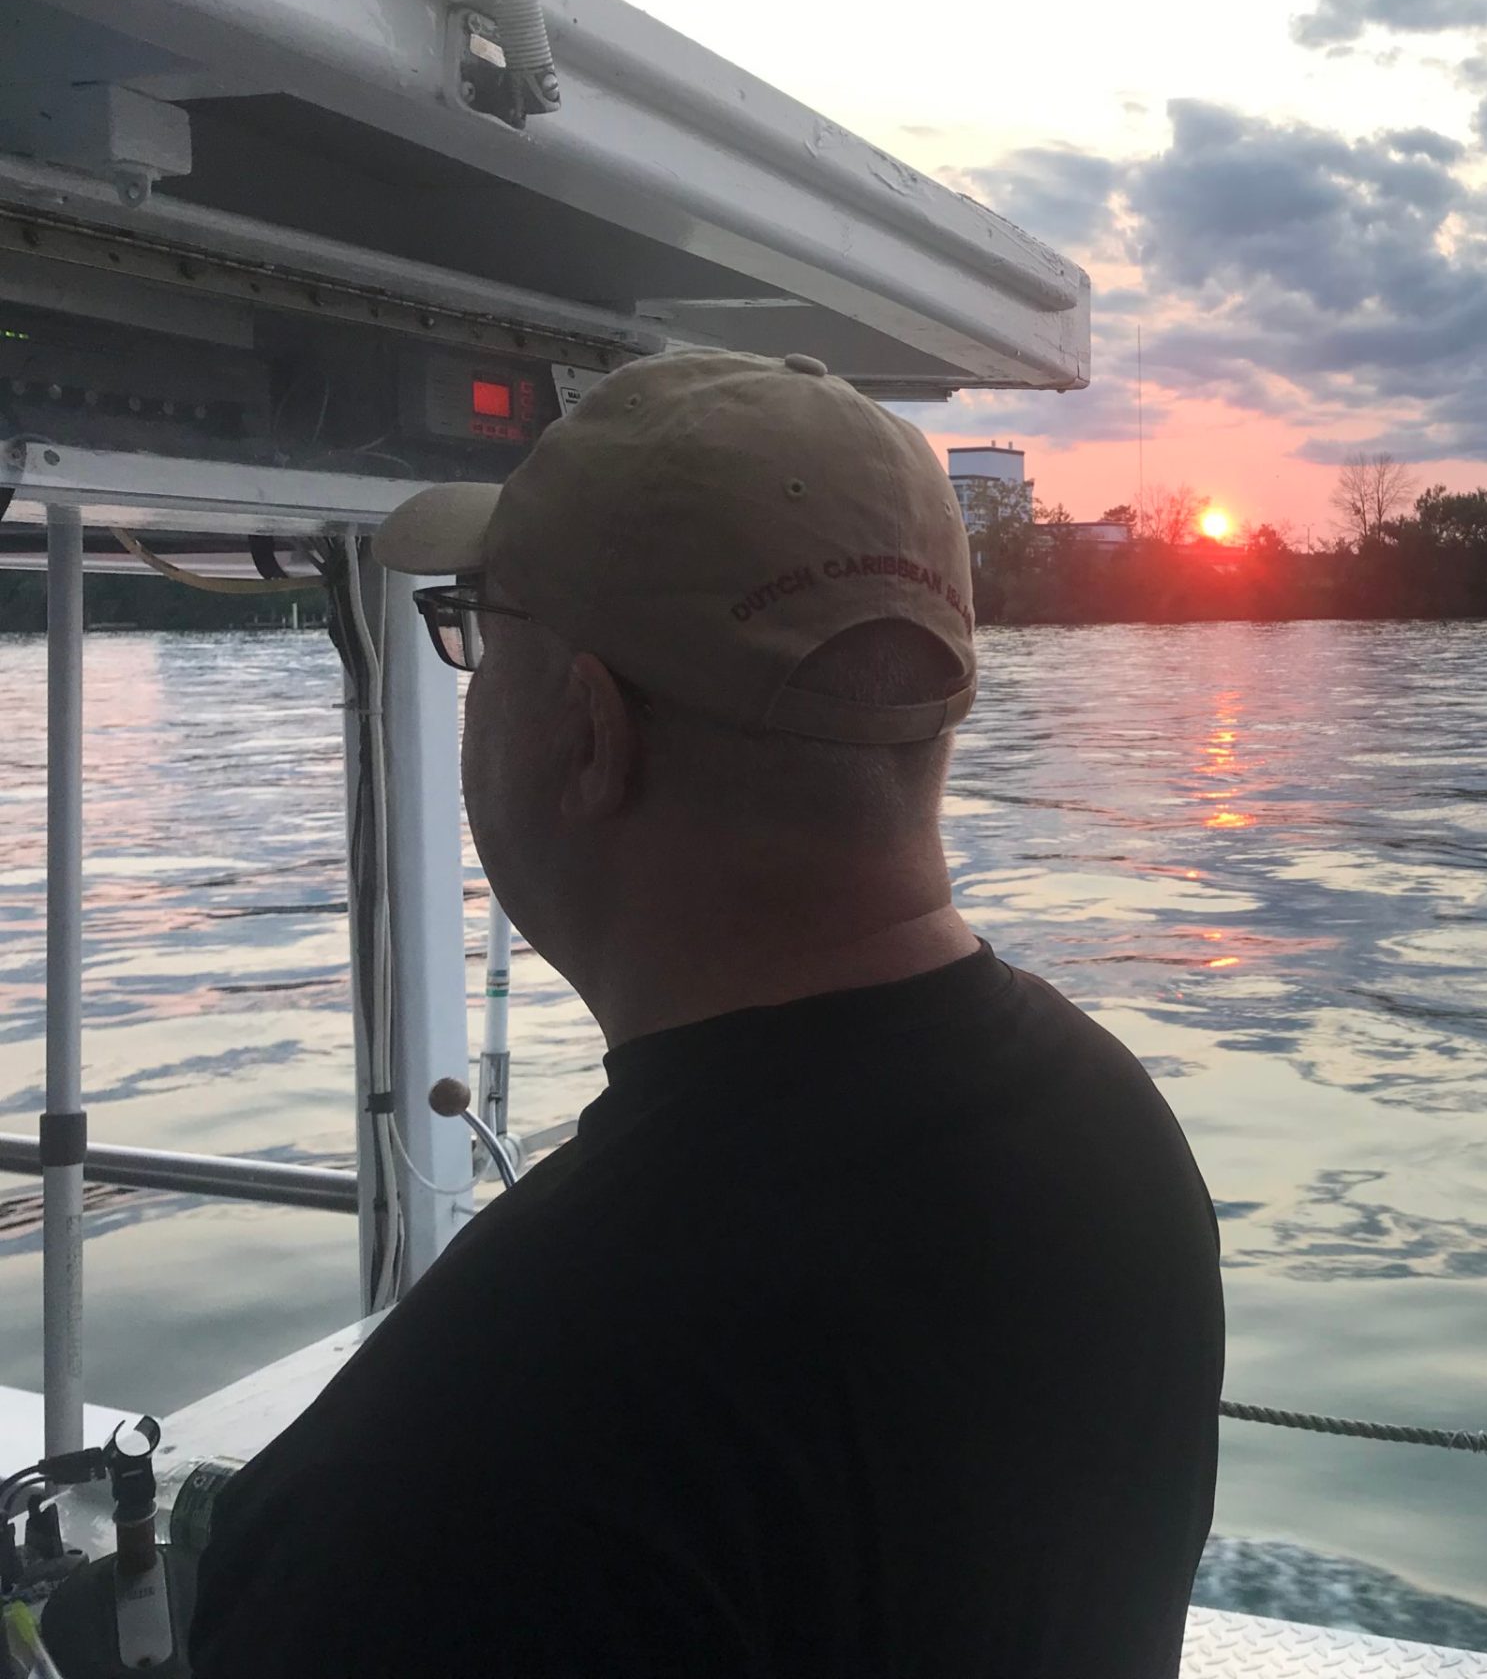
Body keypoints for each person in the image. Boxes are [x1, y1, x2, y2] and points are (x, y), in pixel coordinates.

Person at [189, 351, 1225, 1676]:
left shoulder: (446, 1471)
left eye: (481, 631)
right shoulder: (1117, 1137)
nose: (470, 677)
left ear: (588, 731)